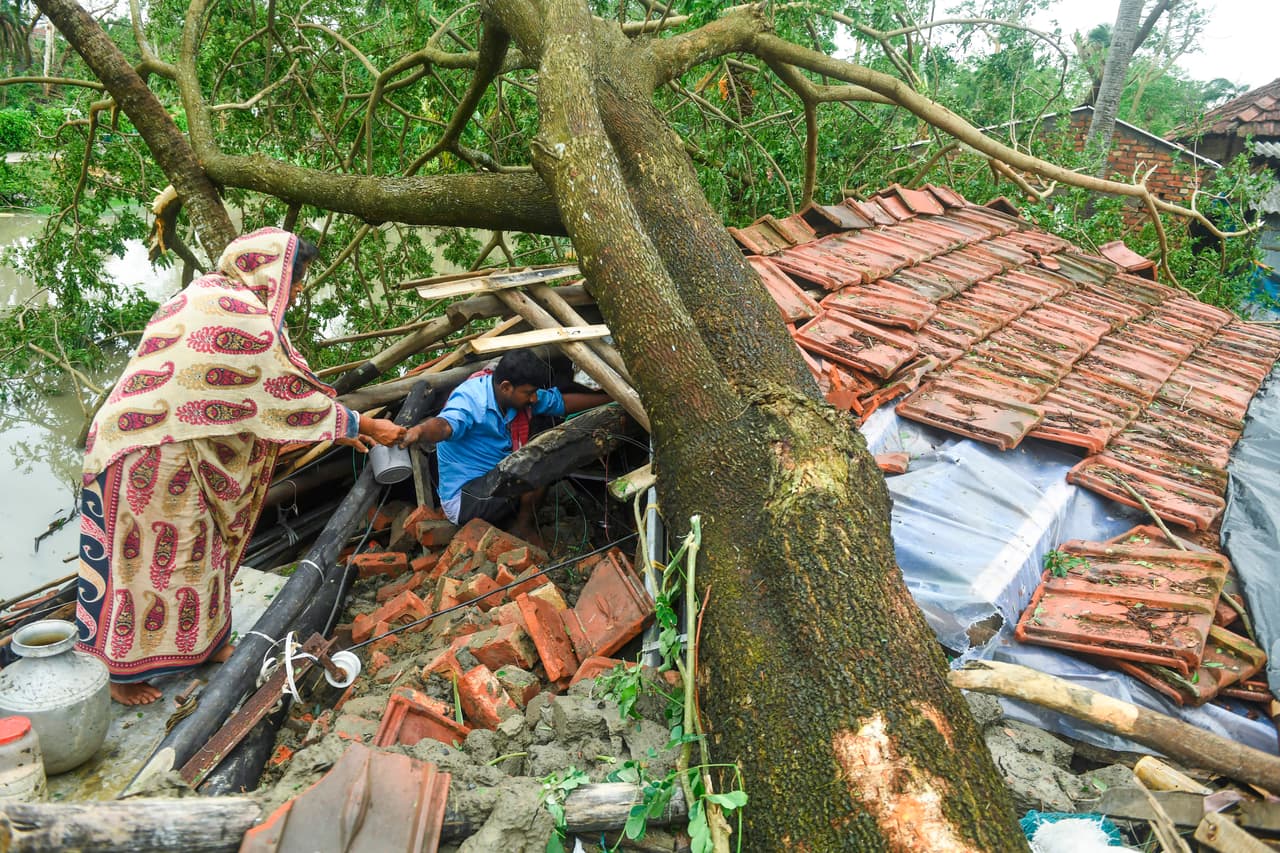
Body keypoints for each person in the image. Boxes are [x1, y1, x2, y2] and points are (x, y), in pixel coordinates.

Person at [76, 227, 404, 705]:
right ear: (270, 269)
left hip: (177, 443)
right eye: (297, 278)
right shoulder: (238, 316)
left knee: (197, 550)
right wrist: (363, 426)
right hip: (147, 450)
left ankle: (200, 646)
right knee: (141, 567)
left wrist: (346, 426)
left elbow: (254, 395)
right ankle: (119, 675)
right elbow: (279, 396)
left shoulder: (210, 295)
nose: (297, 290)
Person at [399, 349, 610, 541]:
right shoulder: (472, 400)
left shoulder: (515, 396)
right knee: (540, 464)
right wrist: (419, 431)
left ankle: (517, 517)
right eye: (529, 393)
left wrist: (613, 397)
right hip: (466, 500)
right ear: (506, 387)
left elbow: (559, 403)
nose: (534, 398)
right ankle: (523, 527)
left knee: (538, 453)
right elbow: (444, 425)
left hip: (492, 481)